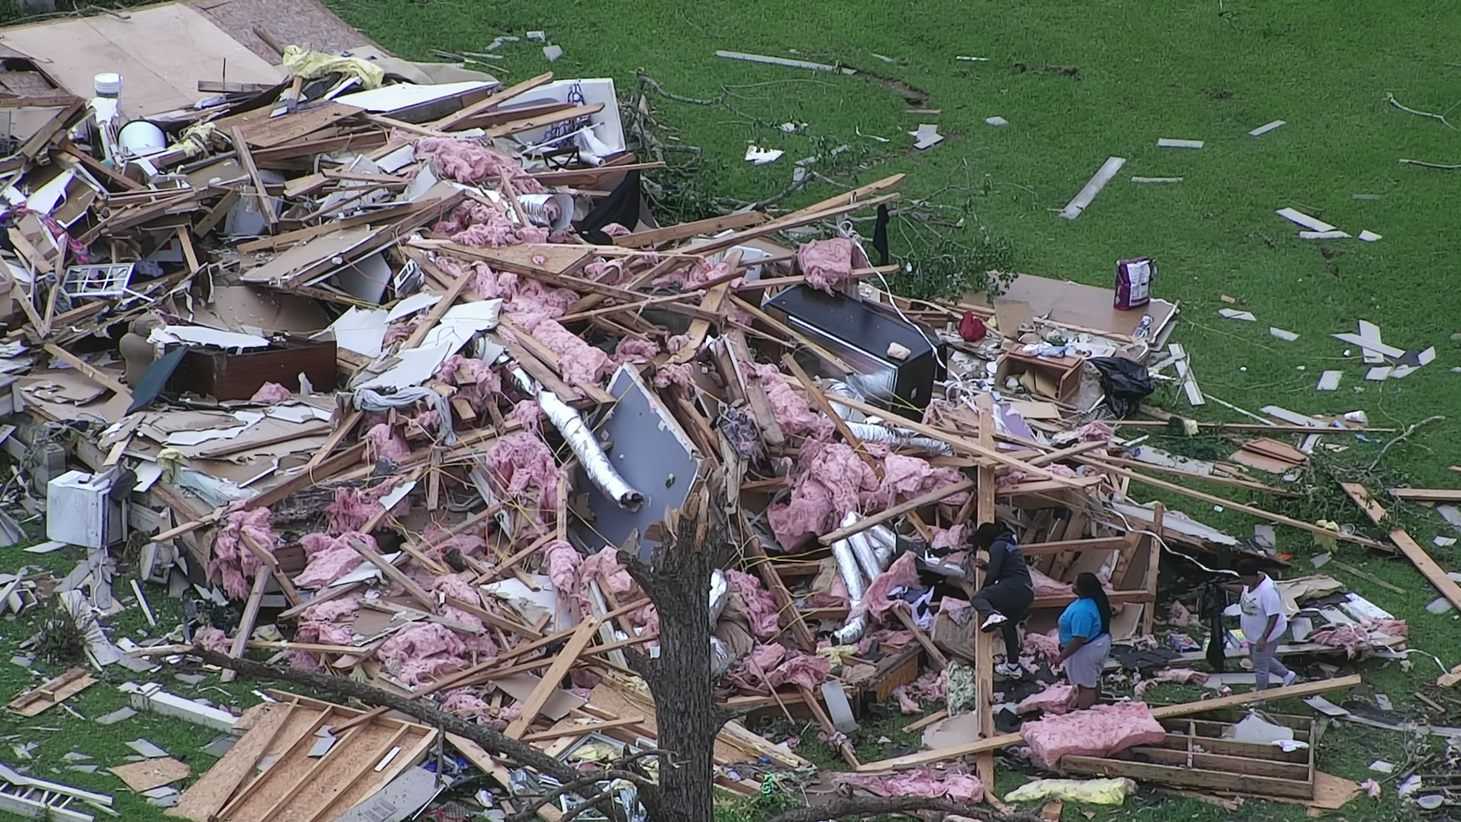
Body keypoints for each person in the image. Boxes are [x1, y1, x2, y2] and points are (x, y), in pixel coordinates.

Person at [968, 522, 1033, 678]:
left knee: (978, 598)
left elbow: (994, 574)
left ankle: (991, 615)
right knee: (1009, 626)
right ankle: (1012, 666)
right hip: (1026, 592)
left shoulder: (997, 545)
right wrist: (987, 566)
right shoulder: (1008, 544)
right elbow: (1006, 566)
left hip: (1014, 588)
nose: (982, 548)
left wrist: (984, 592)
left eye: (981, 545)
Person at [1236, 561, 1298, 690]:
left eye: (1244, 579)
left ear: (1252, 576)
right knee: (1261, 658)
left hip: (1267, 634)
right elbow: (1244, 590)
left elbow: (1273, 616)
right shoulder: (1251, 582)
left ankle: (1260, 697)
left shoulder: (1267, 591)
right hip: (1254, 634)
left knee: (1260, 668)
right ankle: (1287, 675)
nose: (1243, 582)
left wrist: (1263, 638)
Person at [1056, 573, 1113, 709]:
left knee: (1085, 686)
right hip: (1095, 644)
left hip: (1085, 650)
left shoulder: (1083, 611)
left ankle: (1085, 712)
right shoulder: (1091, 601)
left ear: (1083, 589)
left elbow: (1079, 639)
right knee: (1091, 680)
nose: (1072, 586)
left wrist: (1061, 657)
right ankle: (1094, 704)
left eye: (1075, 584)